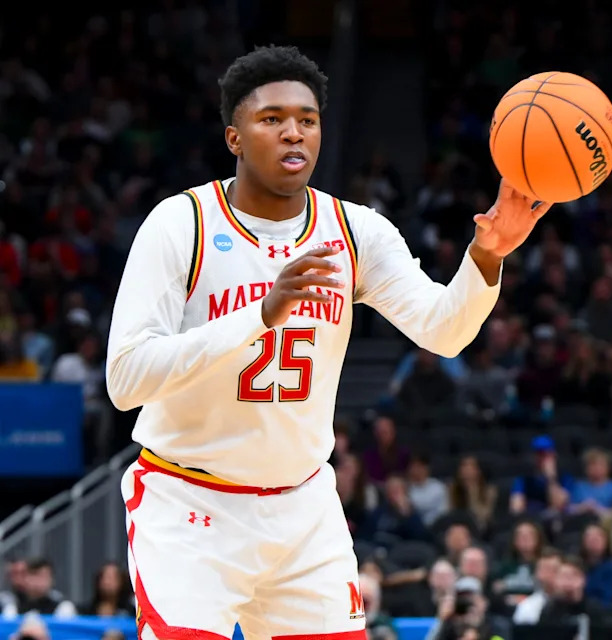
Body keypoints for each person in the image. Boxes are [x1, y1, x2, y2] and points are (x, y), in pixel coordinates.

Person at [106, 45, 551, 640]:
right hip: (192, 505)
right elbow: (125, 379)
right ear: (234, 137)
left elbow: (443, 331)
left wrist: (487, 256)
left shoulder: (355, 230)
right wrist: (258, 315)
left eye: (307, 120)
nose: (294, 133)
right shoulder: (180, 224)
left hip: (302, 507)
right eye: (272, 120)